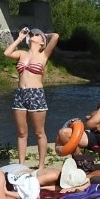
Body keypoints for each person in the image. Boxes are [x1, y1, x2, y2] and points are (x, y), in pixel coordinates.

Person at [4, 27, 60, 170]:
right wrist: (20, 38)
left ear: (42, 42)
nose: (33, 35)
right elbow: (7, 53)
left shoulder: (44, 54)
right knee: (22, 133)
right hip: (20, 94)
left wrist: (44, 34)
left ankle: (41, 166)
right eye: (32, 34)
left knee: (39, 132)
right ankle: (21, 165)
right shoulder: (22, 54)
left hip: (36, 94)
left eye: (36, 35)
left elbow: (56, 36)